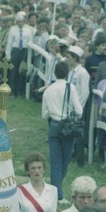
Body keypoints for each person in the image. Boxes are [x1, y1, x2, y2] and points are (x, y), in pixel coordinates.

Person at [42, 61, 82, 204]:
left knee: (55, 161)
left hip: (53, 124)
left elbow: (44, 114)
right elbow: (79, 110)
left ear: (55, 73)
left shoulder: (48, 89)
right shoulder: (70, 87)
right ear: (67, 73)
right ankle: (57, 193)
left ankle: (55, 189)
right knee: (64, 160)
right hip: (67, 125)